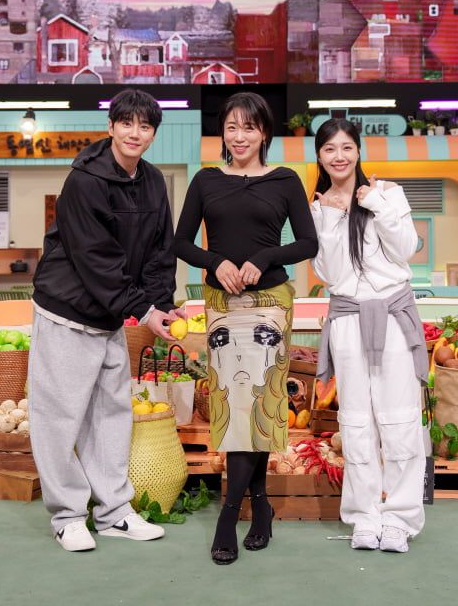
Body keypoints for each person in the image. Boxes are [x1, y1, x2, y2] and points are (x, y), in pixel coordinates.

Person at [29, 89, 182, 552]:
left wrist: (162, 303)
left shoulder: (152, 181)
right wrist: (144, 310)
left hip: (109, 317)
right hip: (67, 311)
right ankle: (67, 516)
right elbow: (96, 260)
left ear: (153, 134)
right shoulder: (85, 181)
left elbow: (160, 251)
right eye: (127, 123)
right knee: (60, 418)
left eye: (145, 126)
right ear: (111, 127)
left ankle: (114, 512)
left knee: (112, 415)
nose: (135, 133)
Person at [174, 91, 317, 564]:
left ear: (264, 133)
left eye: (249, 127)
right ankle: (260, 506)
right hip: (222, 304)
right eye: (231, 127)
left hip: (270, 305)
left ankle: (228, 514)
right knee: (234, 405)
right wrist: (216, 262)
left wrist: (265, 257)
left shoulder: (285, 179)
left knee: (261, 402)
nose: (239, 136)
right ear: (222, 132)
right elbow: (181, 243)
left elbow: (308, 243)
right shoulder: (206, 180)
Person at [310, 118, 428, 553]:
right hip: (347, 320)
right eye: (329, 149)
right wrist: (330, 216)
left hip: (393, 318)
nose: (339, 156)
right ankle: (364, 516)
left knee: (399, 418)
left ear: (358, 150)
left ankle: (400, 518)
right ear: (319, 156)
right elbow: (329, 273)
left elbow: (406, 248)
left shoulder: (388, 192)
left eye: (346, 147)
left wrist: (375, 203)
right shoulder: (318, 207)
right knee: (356, 422)